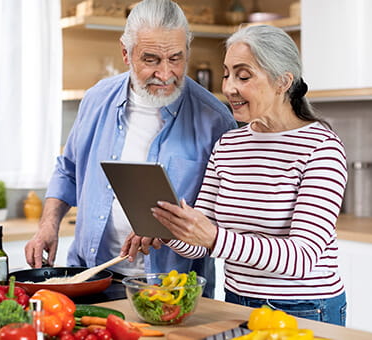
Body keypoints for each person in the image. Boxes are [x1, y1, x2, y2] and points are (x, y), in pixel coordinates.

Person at [24, 0, 236, 298]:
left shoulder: (216, 120)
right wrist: (48, 224)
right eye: (151, 60)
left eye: (176, 58)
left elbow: (224, 215)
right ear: (126, 53)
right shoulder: (97, 99)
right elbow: (68, 170)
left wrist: (170, 230)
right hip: (90, 280)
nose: (165, 74)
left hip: (169, 294)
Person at [139, 25, 348, 325]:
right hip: (236, 303)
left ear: (283, 81)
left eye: (243, 76)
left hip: (304, 307)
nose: (229, 88)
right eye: (226, 74)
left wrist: (214, 238)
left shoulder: (321, 147)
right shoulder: (229, 145)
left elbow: (302, 258)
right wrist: (170, 227)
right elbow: (202, 240)